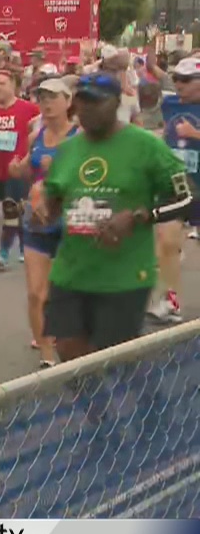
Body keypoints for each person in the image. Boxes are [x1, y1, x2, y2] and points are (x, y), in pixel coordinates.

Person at [33, 72, 191, 361]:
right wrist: (44, 208)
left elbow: (188, 198)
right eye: (82, 102)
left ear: (117, 103)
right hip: (70, 275)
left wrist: (139, 216)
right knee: (70, 360)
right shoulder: (68, 150)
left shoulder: (146, 146)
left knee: (109, 364)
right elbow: (53, 199)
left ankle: (124, 404)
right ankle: (93, 408)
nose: (87, 109)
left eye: (96, 102)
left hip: (124, 280)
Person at [14, 77, 76, 368]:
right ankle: (47, 356)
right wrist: (19, 169)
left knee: (64, 290)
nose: (47, 103)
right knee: (35, 293)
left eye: (53, 97)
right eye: (42, 98)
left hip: (70, 222)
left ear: (68, 100)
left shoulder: (80, 137)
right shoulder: (35, 135)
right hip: (37, 221)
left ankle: (72, 344)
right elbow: (29, 169)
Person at [0, 69, 40, 268]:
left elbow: (41, 130)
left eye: (2, 84)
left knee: (12, 206)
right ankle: (24, 247)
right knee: (12, 209)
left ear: (13, 85)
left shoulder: (29, 109)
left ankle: (3, 252)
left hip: (19, 166)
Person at [154, 56, 200, 320]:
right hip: (176, 183)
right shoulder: (169, 103)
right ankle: (171, 300)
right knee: (167, 240)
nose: (179, 84)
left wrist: (194, 135)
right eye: (176, 79)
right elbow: (164, 130)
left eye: (185, 80)